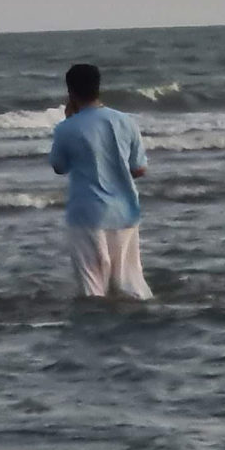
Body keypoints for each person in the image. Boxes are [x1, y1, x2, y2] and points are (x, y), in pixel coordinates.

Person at [49, 62, 151, 300]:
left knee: (92, 286)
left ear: (70, 92)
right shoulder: (125, 121)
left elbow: (59, 167)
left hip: (87, 214)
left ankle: (95, 331)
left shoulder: (67, 128)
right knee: (129, 283)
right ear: (98, 87)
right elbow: (140, 169)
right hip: (126, 211)